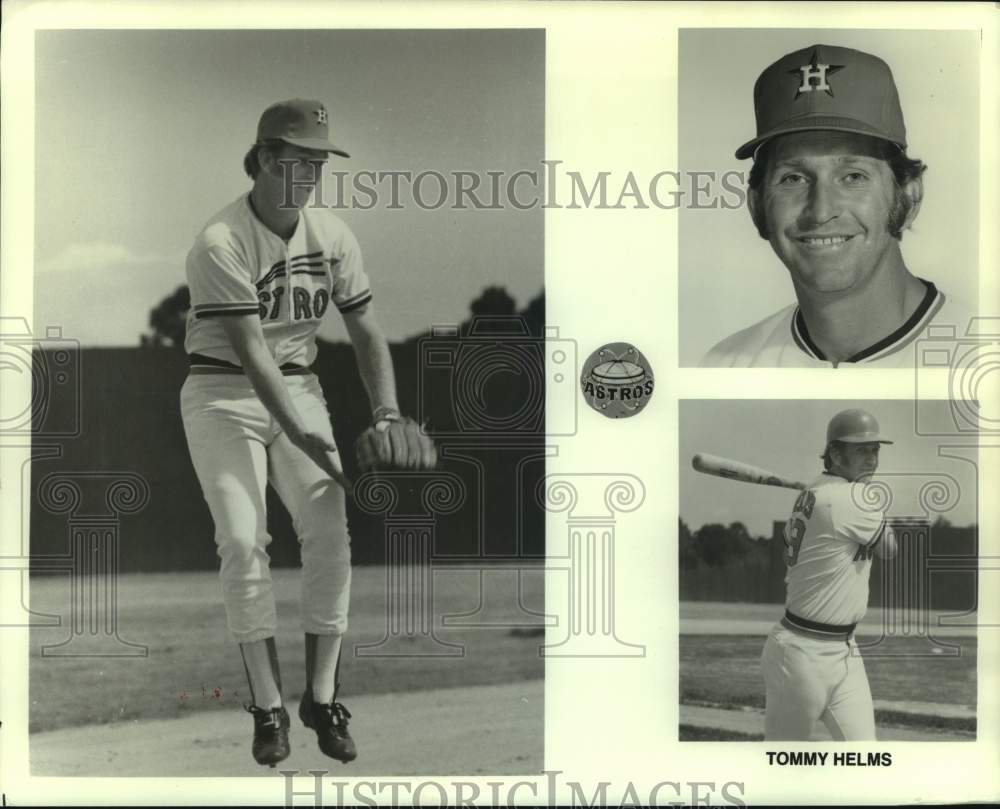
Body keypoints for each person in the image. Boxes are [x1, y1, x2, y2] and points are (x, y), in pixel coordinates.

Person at [180, 98, 404, 767]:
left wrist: (387, 413)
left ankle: (322, 697)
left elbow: (365, 329)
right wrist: (307, 439)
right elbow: (250, 352)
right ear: (264, 160)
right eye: (298, 159)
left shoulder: (333, 235)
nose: (310, 172)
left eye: (318, 161)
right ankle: (270, 706)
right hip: (222, 395)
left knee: (331, 533)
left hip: (299, 386)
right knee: (244, 540)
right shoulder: (220, 240)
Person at [701, 44, 972, 367]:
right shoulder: (724, 365)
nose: (820, 211)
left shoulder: (982, 360)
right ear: (756, 206)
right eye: (793, 178)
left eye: (853, 176)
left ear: (909, 197)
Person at [760, 409, 898, 740]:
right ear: (835, 454)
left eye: (875, 450)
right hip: (801, 654)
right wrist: (872, 501)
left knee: (864, 757)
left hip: (845, 650)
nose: (872, 460)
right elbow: (890, 549)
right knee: (782, 764)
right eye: (862, 451)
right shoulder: (848, 499)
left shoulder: (819, 492)